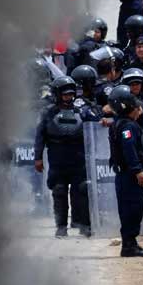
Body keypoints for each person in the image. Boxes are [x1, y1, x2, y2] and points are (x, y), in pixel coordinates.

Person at [35, 77, 92, 238]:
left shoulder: (82, 110)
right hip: (57, 158)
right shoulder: (47, 113)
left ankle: (83, 224)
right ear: (57, 94)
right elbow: (40, 136)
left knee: (81, 190)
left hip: (78, 158)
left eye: (71, 94)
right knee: (59, 191)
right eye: (65, 94)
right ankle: (61, 226)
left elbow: (95, 123)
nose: (68, 97)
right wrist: (37, 157)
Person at [107, 85, 143, 258]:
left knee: (128, 210)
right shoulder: (127, 127)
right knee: (133, 209)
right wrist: (138, 171)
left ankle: (129, 244)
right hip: (130, 176)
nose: (140, 110)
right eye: (136, 107)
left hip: (123, 175)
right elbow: (129, 149)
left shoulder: (117, 123)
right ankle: (129, 245)